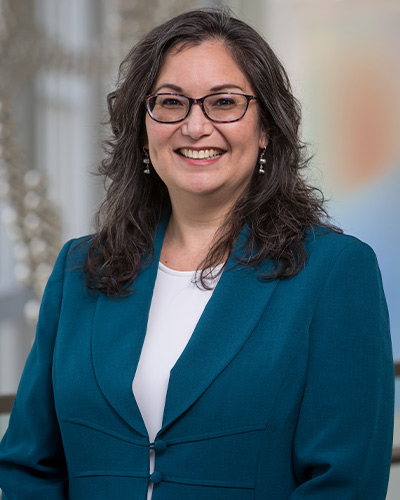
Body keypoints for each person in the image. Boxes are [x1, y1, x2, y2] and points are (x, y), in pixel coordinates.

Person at [0, 8, 394, 500]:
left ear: (267, 126)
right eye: (170, 103)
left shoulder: (336, 272)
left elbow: (344, 484)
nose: (195, 126)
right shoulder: (81, 270)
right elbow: (27, 466)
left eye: (224, 102)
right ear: (143, 128)